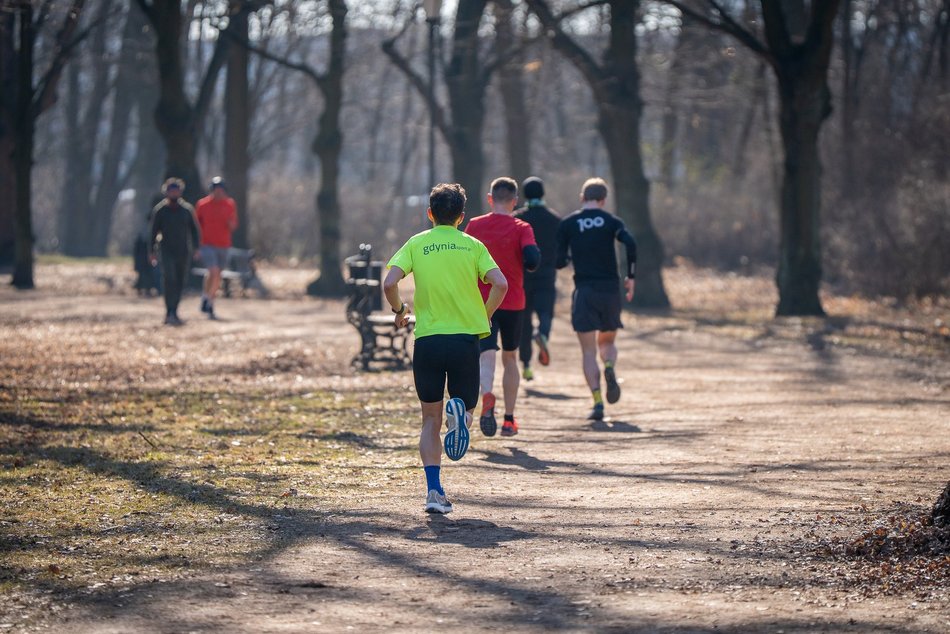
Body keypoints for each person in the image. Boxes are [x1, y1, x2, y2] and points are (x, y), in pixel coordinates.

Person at [383, 183, 508, 514]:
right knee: (466, 404)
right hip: (466, 338)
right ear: (461, 218)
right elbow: (500, 283)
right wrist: (485, 314)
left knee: (429, 419)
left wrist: (400, 312)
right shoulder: (472, 245)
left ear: (429, 214)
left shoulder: (416, 243)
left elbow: (389, 282)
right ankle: (462, 417)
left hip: (428, 340)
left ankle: (434, 492)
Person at [464, 177, 540, 437]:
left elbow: (464, 259)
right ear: (515, 201)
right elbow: (531, 259)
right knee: (510, 357)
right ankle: (509, 419)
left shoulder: (474, 225)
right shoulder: (522, 227)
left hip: (482, 302)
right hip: (513, 301)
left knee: (485, 353)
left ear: (489, 199)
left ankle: (487, 395)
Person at [556, 177, 636, 421]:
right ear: (603, 200)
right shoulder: (612, 221)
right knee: (607, 343)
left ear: (582, 198)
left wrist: (568, 259)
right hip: (610, 290)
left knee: (588, 351)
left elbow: (559, 260)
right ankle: (610, 366)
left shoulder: (569, 223)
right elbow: (630, 242)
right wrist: (630, 276)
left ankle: (598, 402)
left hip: (585, 291)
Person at [514, 176, 561, 381]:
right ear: (543, 193)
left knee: (524, 322)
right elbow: (561, 251)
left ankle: (526, 365)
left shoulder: (517, 219)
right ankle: (543, 334)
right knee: (546, 312)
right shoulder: (555, 219)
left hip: (522, 276)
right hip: (547, 275)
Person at [149, 178, 201, 326]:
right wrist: (151, 251)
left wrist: (196, 248)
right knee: (169, 278)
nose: (174, 193)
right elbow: (152, 232)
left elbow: (194, 231)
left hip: (183, 250)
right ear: (166, 192)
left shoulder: (186, 210)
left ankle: (175, 310)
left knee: (180, 281)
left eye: (176, 190)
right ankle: (169, 310)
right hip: (166, 249)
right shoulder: (160, 211)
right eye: (171, 190)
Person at [195, 176, 239, 319]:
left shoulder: (229, 204)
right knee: (213, 271)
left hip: (224, 245)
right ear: (211, 191)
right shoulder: (202, 205)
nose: (218, 193)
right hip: (207, 244)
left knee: (217, 275)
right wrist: (197, 245)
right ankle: (206, 298)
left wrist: (228, 221)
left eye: (221, 190)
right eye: (216, 190)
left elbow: (233, 225)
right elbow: (196, 226)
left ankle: (209, 301)